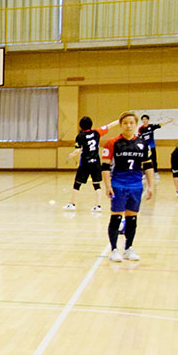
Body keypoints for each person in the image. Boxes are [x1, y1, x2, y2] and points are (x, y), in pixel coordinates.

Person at [102, 112, 154, 262]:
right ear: (121, 125)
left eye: (131, 123)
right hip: (118, 184)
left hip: (136, 185)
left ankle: (128, 248)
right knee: (116, 216)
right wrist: (108, 185)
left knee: (132, 218)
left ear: (136, 124)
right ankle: (114, 249)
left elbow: (148, 166)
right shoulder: (112, 143)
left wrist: (150, 186)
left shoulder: (143, 144)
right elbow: (105, 166)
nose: (128, 126)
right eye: (125, 123)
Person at [63, 116, 118, 212]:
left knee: (77, 184)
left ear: (80, 126)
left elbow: (78, 150)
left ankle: (72, 204)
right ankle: (98, 206)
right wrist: (119, 120)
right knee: (96, 184)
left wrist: (71, 155)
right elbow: (109, 126)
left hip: (85, 163)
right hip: (95, 162)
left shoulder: (80, 136)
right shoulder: (96, 132)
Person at [169, 121, 178, 197]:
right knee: (175, 173)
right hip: (176, 154)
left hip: (175, 153)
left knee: (175, 173)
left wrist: (177, 124)